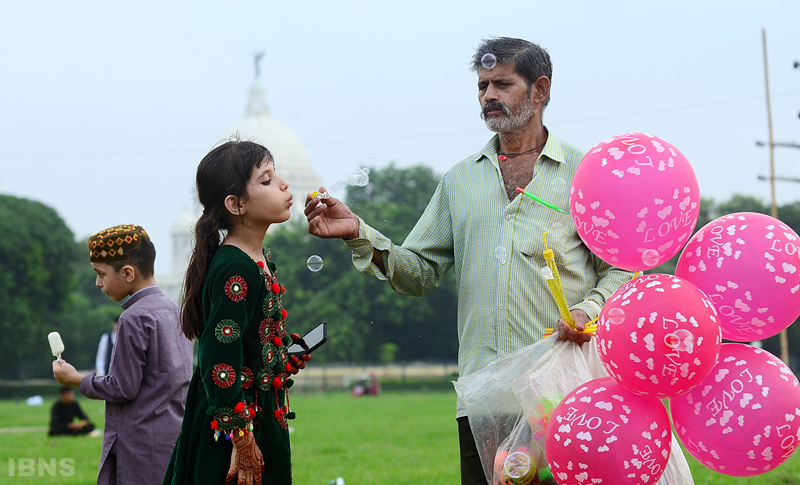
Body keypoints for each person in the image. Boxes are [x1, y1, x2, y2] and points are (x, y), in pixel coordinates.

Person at [304, 37, 633, 484]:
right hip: (482, 400)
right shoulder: (461, 180)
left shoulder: (584, 175)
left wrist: (587, 310)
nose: (488, 96)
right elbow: (419, 272)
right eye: (482, 86)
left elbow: (622, 267)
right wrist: (360, 233)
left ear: (539, 90)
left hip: (563, 393)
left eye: (502, 84)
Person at [162, 140, 310, 485]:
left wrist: (282, 356)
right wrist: (240, 437)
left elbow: (248, 345)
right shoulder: (235, 268)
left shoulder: (258, 260)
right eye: (267, 180)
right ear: (236, 204)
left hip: (259, 413)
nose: (284, 184)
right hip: (233, 425)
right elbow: (219, 359)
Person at [53, 224, 194, 485]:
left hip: (140, 445)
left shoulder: (134, 317)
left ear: (128, 273)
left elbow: (122, 387)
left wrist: (76, 379)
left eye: (100, 274)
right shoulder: (174, 310)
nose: (98, 283)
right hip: (173, 438)